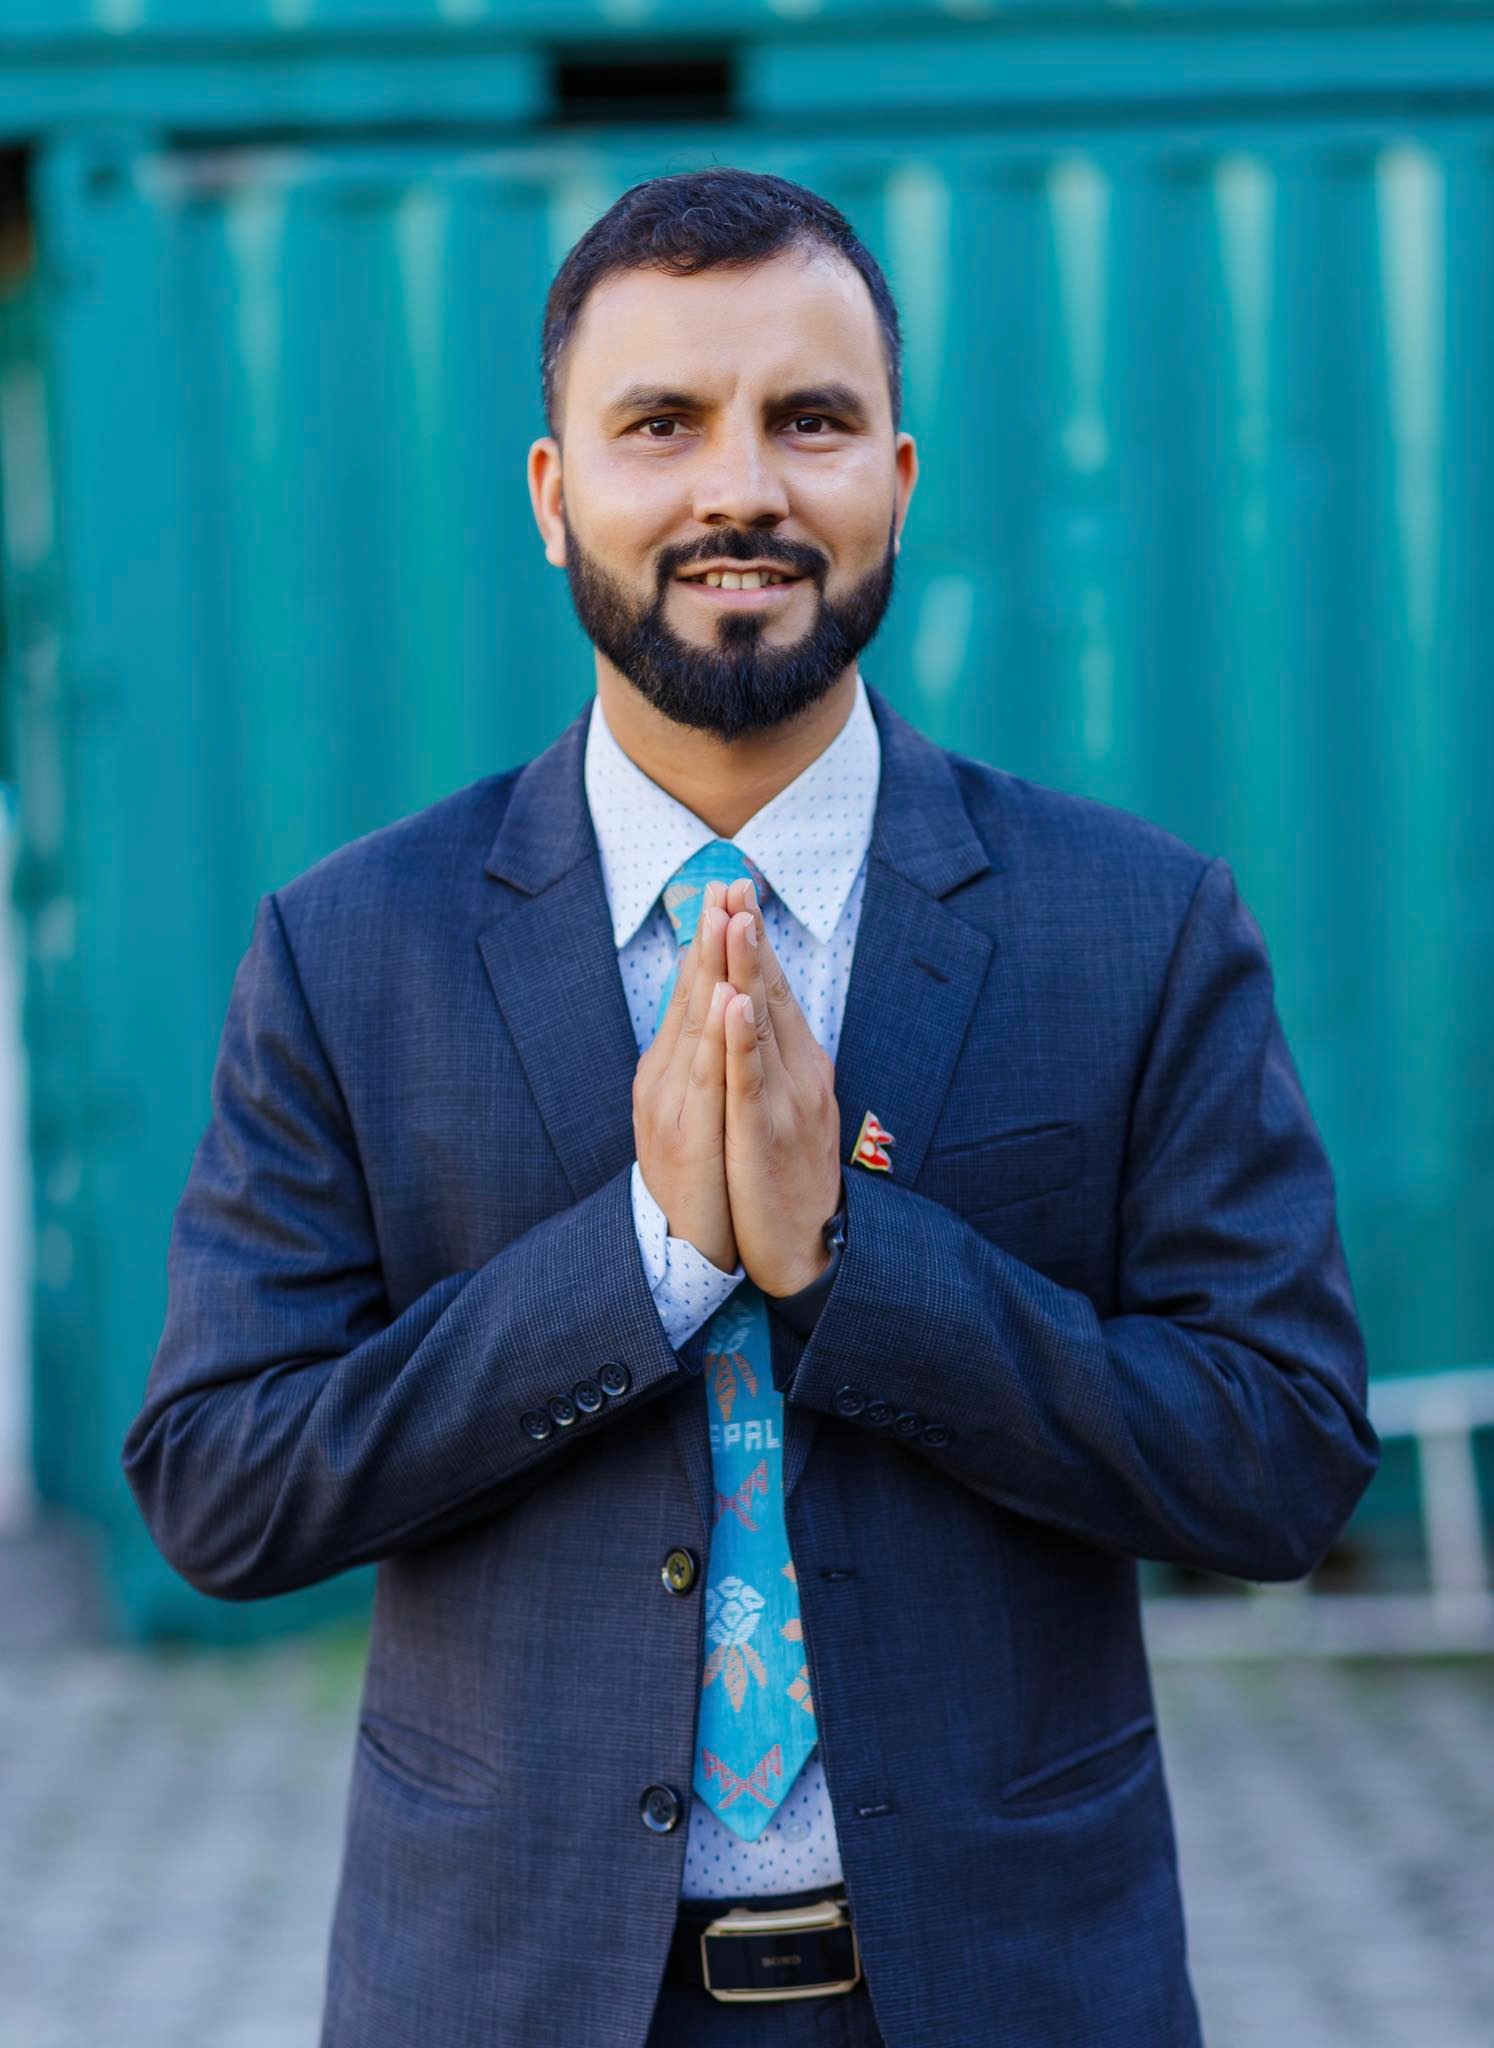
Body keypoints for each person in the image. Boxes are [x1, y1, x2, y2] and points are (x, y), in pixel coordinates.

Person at [123, 168, 1379, 2048]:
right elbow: (220, 1487)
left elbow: (1281, 1458)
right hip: (510, 1994)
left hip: (1009, 1992)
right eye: (659, 425)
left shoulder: (1134, 925)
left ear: (897, 478)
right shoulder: (349, 950)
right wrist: (648, 1261)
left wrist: (855, 1265)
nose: (739, 489)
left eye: (808, 420)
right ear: (553, 494)